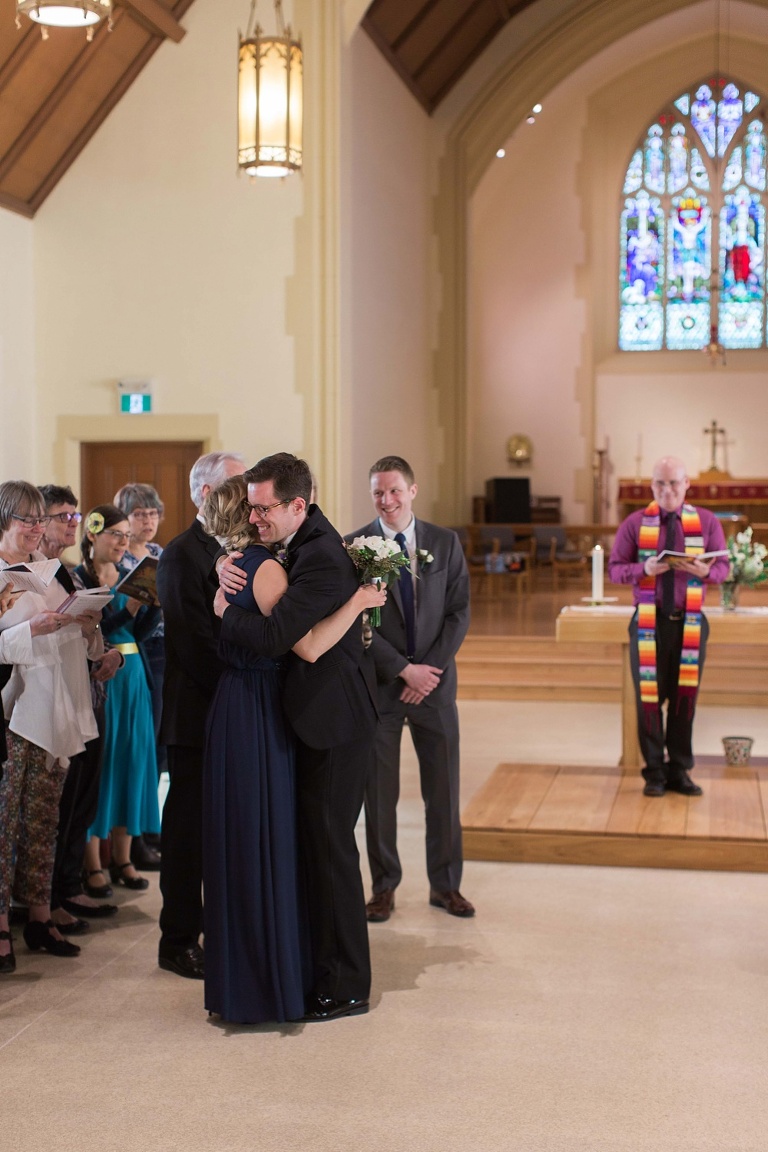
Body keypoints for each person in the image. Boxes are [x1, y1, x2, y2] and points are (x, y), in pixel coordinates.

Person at [201, 476, 385, 1024]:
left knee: (331, 851)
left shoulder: (320, 554)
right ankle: (316, 967)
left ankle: (347, 984)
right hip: (306, 715)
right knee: (316, 847)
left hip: (332, 720)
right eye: (251, 510)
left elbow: (294, 641)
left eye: (264, 508)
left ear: (295, 504)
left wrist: (224, 609)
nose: (258, 517)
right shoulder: (292, 547)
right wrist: (225, 569)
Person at [346, 455, 474, 922]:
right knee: (378, 795)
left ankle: (446, 886)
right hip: (380, 688)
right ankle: (384, 887)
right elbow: (355, 618)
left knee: (442, 790)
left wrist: (428, 672)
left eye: (395, 490)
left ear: (413, 491)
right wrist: (402, 669)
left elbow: (459, 611)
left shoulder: (444, 541)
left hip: (435, 688)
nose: (387, 500)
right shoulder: (354, 546)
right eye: (379, 492)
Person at [0, 481, 103, 971]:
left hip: (54, 704)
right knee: (5, 826)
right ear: (4, 519)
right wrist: (28, 630)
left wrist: (84, 628)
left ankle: (40, 915)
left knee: (44, 819)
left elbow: (63, 622)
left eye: (41, 520)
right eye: (28, 520)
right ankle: (2, 926)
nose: (37, 529)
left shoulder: (46, 572)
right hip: (15, 713)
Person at [156, 451, 245, 980]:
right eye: (238, 484)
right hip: (197, 715)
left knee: (226, 830)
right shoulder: (181, 554)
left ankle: (224, 928)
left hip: (233, 712)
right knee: (188, 834)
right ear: (208, 494)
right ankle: (178, 938)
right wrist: (242, 688)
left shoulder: (240, 548)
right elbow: (192, 641)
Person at [608, 456, 730, 797]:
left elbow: (723, 566)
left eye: (674, 482)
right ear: (652, 486)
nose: (667, 490)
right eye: (660, 483)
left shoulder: (705, 521)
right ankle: (654, 774)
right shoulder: (635, 523)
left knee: (683, 700)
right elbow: (615, 569)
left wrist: (708, 573)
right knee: (649, 699)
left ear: (687, 483)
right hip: (648, 620)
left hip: (690, 621)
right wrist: (643, 568)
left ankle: (680, 771)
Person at [38, 484, 121, 929]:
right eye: (63, 516)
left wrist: (107, 651)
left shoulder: (69, 573)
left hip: (86, 695)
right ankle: (48, 896)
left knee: (81, 798)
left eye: (75, 515)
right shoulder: (30, 573)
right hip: (50, 701)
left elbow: (86, 631)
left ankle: (67, 886)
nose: (73, 522)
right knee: (57, 804)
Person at [77, 506, 161, 894]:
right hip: (101, 676)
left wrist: (149, 607)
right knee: (105, 764)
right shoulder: (80, 578)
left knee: (134, 761)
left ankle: (124, 856)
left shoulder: (129, 574)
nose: (123, 542)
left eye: (126, 535)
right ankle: (92, 859)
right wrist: (126, 608)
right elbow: (92, 630)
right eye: (115, 534)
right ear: (93, 535)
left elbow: (138, 633)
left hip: (134, 675)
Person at [114, 481, 166, 870]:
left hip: (166, 651)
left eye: (152, 513)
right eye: (138, 514)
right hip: (133, 651)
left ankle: (153, 826)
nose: (147, 520)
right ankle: (135, 839)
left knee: (159, 743)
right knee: (136, 743)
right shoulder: (118, 561)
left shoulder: (160, 555)